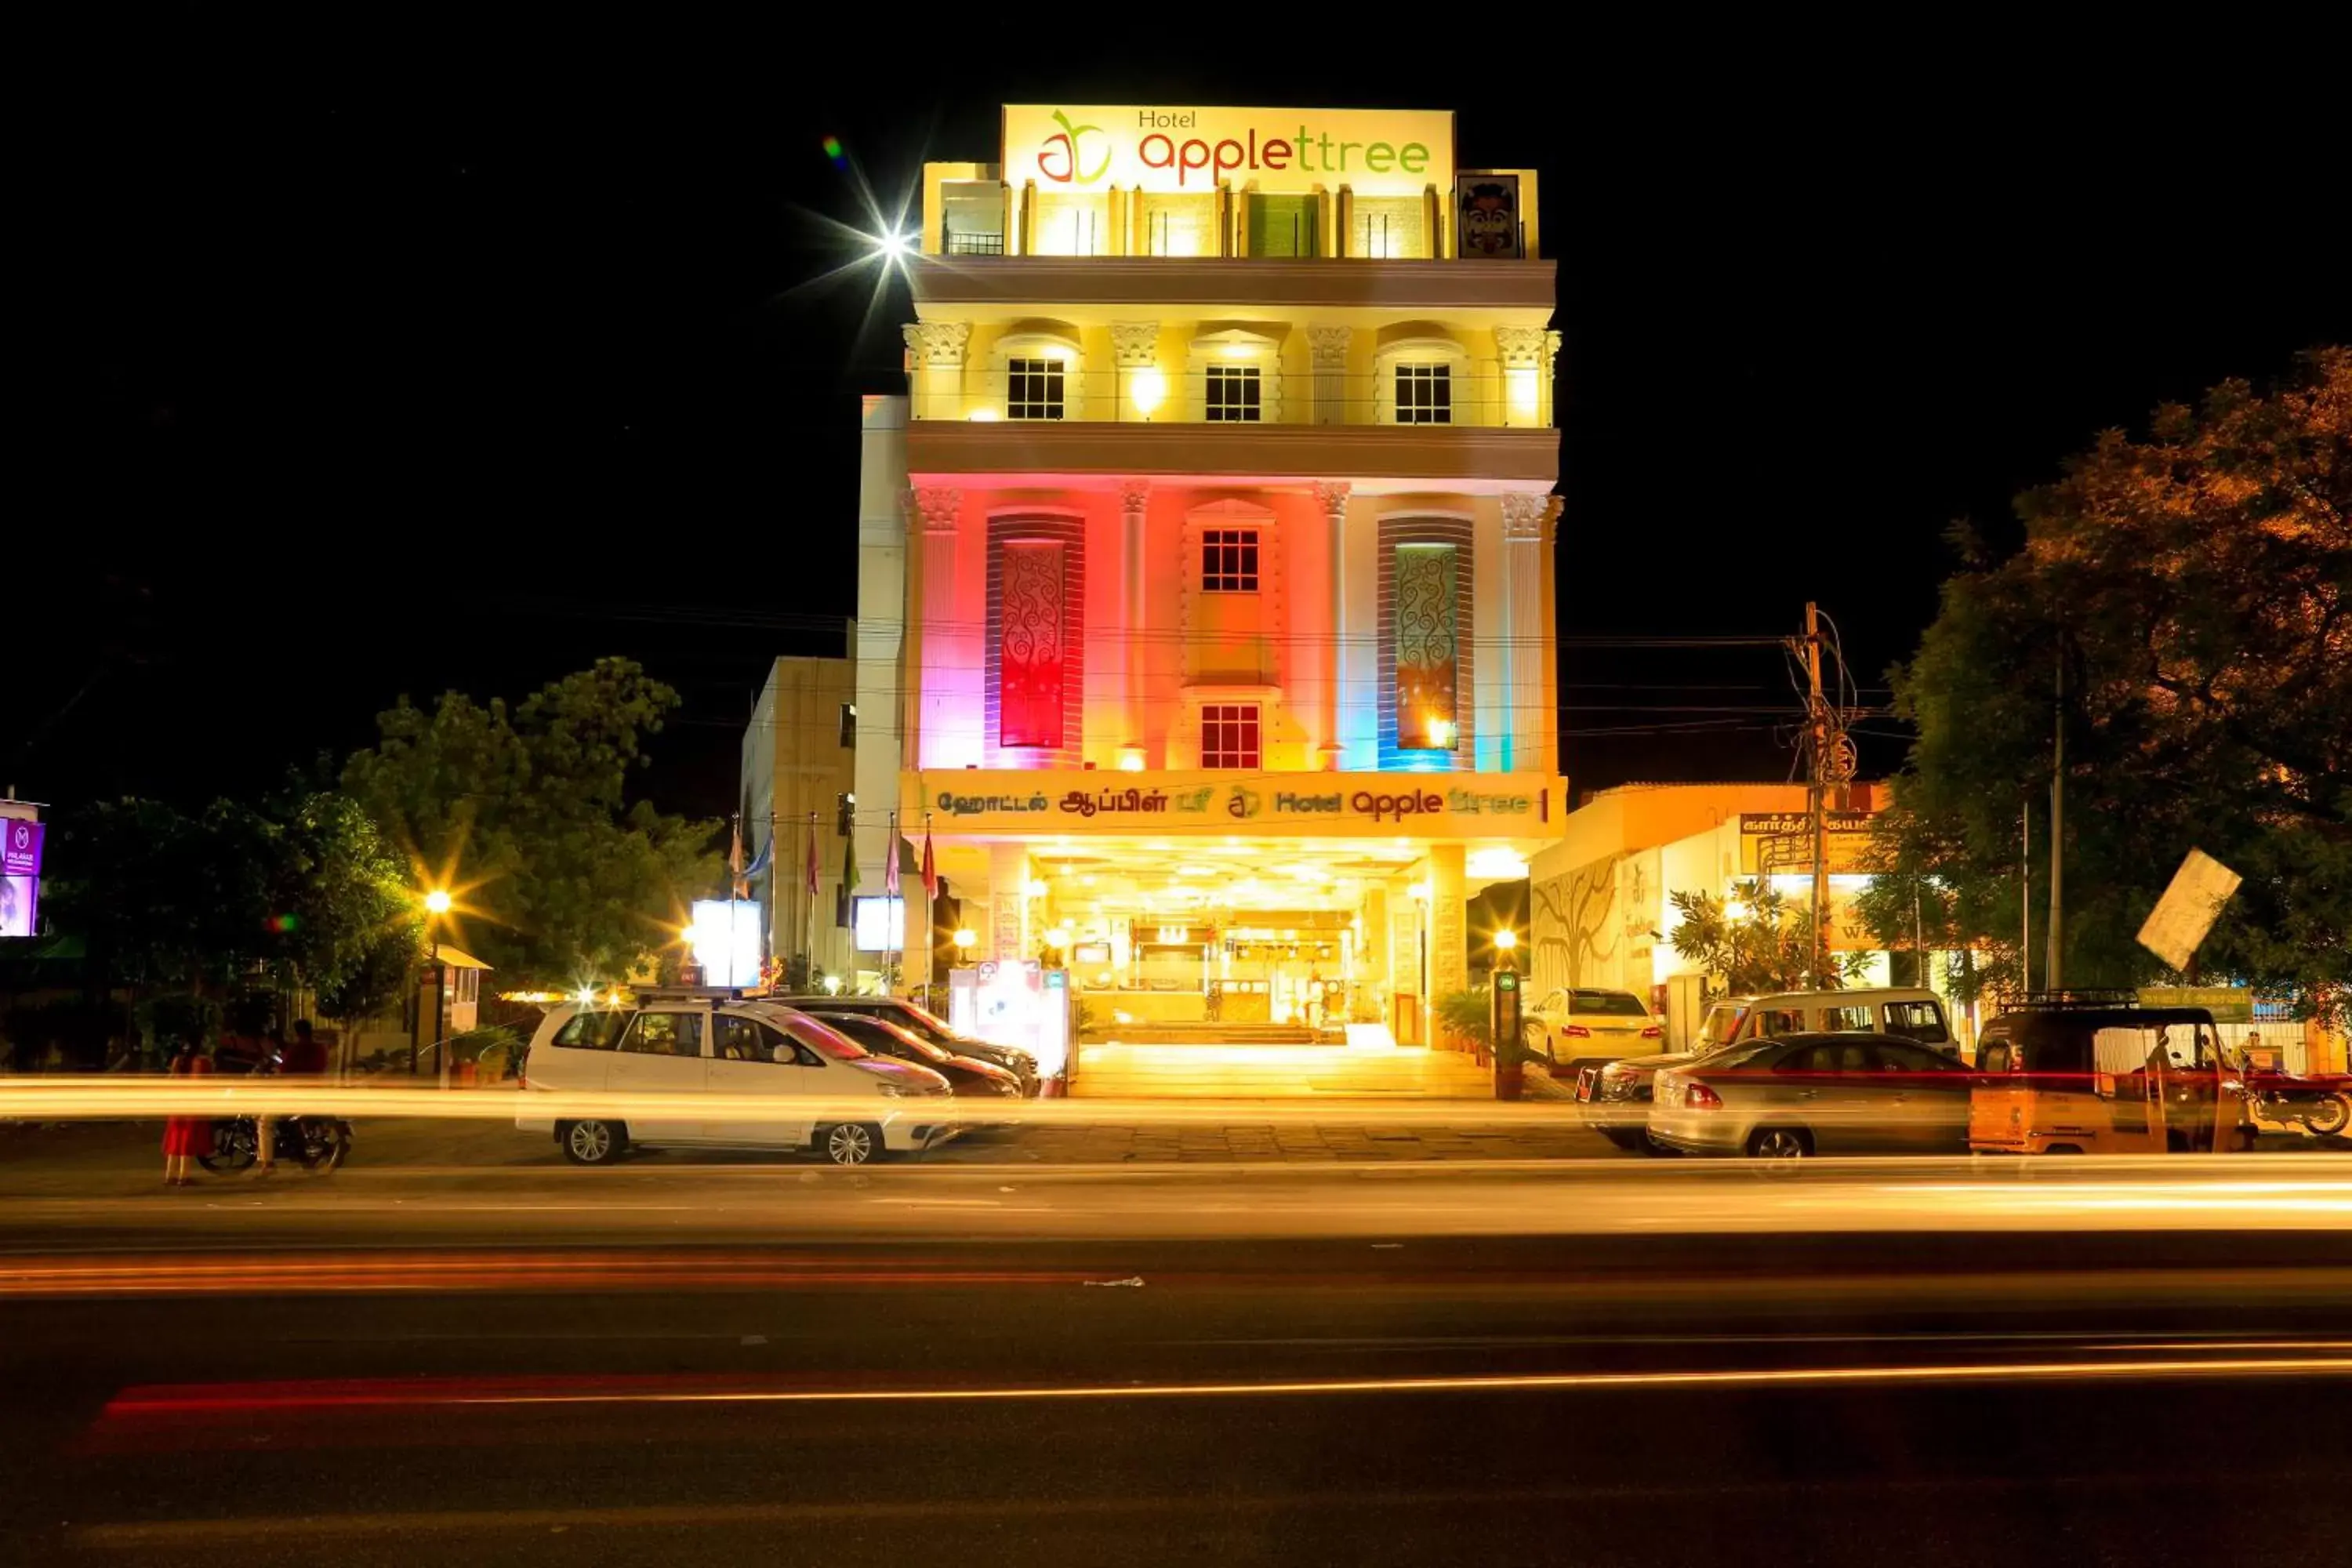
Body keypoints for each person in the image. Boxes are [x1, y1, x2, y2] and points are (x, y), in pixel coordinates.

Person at [161, 1039, 215, 1186]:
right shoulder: (200, 1063)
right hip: (191, 1108)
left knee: (175, 1141)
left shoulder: (177, 1063)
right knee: (186, 1143)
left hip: (176, 1107)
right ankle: (184, 1176)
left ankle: (170, 1174)